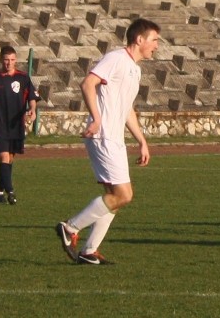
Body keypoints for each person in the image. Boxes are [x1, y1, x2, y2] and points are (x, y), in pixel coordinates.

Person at [55, 18, 159, 265]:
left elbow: (126, 109)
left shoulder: (135, 69)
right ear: (139, 39)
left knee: (114, 197)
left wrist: (142, 141)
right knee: (123, 195)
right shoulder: (116, 59)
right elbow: (87, 83)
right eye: (154, 40)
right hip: (103, 137)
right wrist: (97, 118)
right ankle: (70, 228)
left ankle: (89, 250)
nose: (156, 46)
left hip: (115, 138)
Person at [0, 45, 40, 205]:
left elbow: (32, 98)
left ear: (16, 60)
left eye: (12, 60)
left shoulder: (23, 77)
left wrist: (32, 110)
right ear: (1, 60)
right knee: (4, 157)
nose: (9, 63)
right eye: (6, 60)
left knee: (10, 159)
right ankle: (11, 192)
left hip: (16, 125)